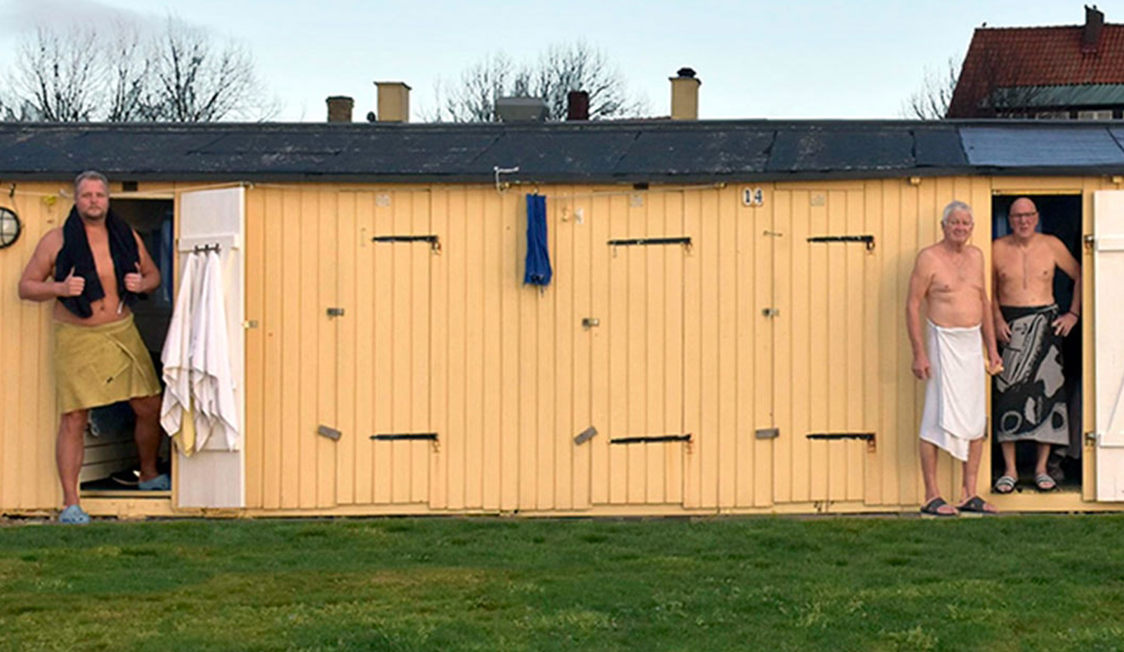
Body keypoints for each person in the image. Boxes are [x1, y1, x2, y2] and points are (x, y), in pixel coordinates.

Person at [18, 171, 166, 524]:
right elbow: (26, 287)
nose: (94, 201)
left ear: (108, 199)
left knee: (149, 403)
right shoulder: (56, 241)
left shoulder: (125, 236)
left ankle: (148, 474)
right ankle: (71, 503)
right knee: (74, 417)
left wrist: (141, 282)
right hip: (76, 336)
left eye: (99, 195)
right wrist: (60, 289)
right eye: (87, 195)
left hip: (120, 329)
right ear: (76, 199)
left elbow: (154, 275)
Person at [907, 200, 1003, 516]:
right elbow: (912, 305)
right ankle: (931, 495)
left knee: (976, 418)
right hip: (941, 341)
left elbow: (984, 303)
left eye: (966, 223)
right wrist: (919, 352)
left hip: (972, 342)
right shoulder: (929, 258)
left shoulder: (976, 256)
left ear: (971, 228)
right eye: (955, 223)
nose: (960, 228)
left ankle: (968, 493)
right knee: (935, 418)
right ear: (943, 226)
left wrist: (992, 349)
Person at [991, 197, 1081, 493]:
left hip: (1047, 321)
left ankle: (1042, 468)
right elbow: (988, 290)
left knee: (1049, 393)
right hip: (1011, 326)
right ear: (1010, 219)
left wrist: (1073, 314)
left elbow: (1080, 274)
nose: (1023, 221)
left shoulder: (1052, 244)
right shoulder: (997, 248)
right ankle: (1010, 470)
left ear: (1037, 217)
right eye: (1017, 216)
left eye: (1028, 215)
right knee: (1009, 395)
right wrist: (997, 319)